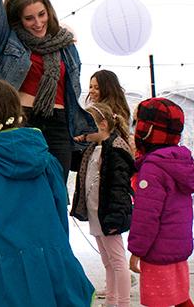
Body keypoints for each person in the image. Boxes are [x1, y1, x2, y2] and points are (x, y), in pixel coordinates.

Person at [0, 79, 94, 307]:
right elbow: (59, 213)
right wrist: (58, 248)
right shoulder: (47, 160)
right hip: (48, 257)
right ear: (18, 112)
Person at [0, 0, 95, 180]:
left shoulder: (65, 45)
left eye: (41, 15)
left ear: (49, 11)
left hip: (59, 125)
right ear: (18, 19)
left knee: (56, 190)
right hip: (22, 120)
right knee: (26, 189)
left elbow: (72, 91)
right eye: (29, 18)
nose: (38, 23)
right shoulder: (9, 40)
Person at [127, 98, 194, 307]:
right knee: (180, 297)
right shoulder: (178, 161)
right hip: (177, 247)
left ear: (147, 129)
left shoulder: (153, 168)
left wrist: (136, 250)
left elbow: (146, 216)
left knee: (157, 301)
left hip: (156, 250)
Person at [71, 102, 135, 307]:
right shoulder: (93, 149)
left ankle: (123, 302)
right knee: (107, 261)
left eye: (88, 127)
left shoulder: (116, 150)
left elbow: (119, 187)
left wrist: (115, 216)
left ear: (103, 125)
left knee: (117, 262)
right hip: (96, 213)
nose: (84, 132)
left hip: (109, 214)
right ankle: (111, 300)